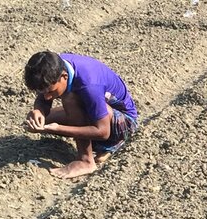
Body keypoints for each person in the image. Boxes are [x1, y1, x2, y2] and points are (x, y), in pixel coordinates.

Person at [23, 51, 140, 180]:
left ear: (64, 76)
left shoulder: (88, 84)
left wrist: (58, 128)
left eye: (51, 91)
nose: (47, 97)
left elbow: (103, 132)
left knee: (70, 98)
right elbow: (44, 98)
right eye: (42, 92)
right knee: (41, 122)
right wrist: (39, 111)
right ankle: (103, 148)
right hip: (96, 113)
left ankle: (86, 161)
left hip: (122, 124)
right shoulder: (53, 66)